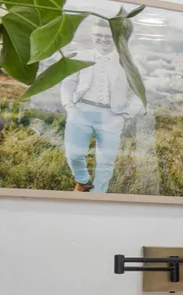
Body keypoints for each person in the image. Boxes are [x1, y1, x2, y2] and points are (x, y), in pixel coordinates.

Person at [59, 20, 140, 192]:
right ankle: (83, 181)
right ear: (92, 36)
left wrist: (126, 115)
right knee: (74, 155)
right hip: (81, 111)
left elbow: (139, 93)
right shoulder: (80, 56)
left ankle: (97, 195)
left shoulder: (127, 61)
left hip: (112, 116)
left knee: (106, 161)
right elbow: (68, 84)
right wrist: (70, 107)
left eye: (108, 36)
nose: (102, 40)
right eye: (98, 35)